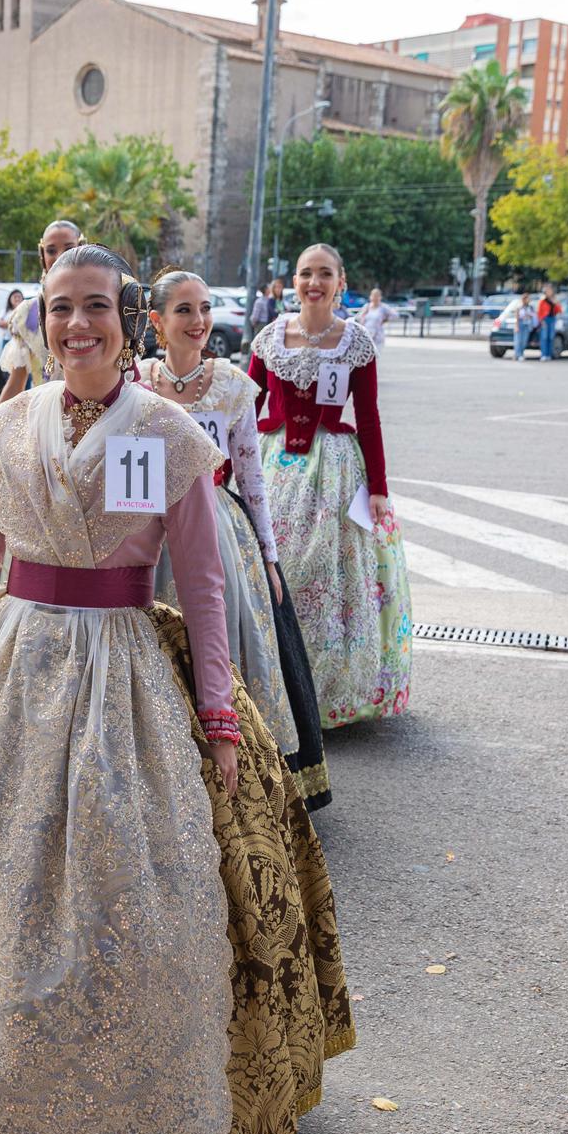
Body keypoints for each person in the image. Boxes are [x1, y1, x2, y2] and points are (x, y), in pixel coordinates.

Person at [0, 242, 353, 1134]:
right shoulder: (8, 426)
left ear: (125, 319)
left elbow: (204, 582)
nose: (75, 325)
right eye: (58, 309)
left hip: (123, 665)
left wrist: (217, 710)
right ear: (40, 321)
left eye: (93, 307)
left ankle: (123, 1105)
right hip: (9, 670)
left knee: (124, 882)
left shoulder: (165, 431)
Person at [143, 265, 325, 803]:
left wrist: (268, 558)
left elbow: (252, 477)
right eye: (184, 310)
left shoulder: (232, 387)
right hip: (147, 527)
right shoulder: (135, 383)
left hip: (219, 529)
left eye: (204, 309)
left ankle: (234, 773)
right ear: (157, 322)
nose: (198, 321)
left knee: (222, 640)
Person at [249, 243, 413, 728]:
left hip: (334, 471)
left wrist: (379, 487)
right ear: (292, 281)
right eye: (305, 273)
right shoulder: (270, 337)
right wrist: (225, 470)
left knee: (325, 576)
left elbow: (369, 417)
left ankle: (325, 694)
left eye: (324, 274)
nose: (313, 282)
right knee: (276, 572)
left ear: (341, 283)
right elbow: (247, 406)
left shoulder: (355, 341)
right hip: (274, 466)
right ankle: (273, 689)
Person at [0, 218, 82, 402]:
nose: (60, 256)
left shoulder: (106, 306)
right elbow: (16, 382)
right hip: (45, 417)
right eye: (51, 250)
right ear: (42, 255)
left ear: (83, 247)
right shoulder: (27, 315)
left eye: (68, 249)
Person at [356, 287, 396, 352]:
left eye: (377, 296)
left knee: (375, 357)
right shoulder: (367, 306)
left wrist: (385, 320)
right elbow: (358, 318)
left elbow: (394, 315)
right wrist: (363, 314)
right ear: (370, 297)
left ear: (380, 297)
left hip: (377, 337)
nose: (375, 298)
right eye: (373, 296)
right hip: (366, 336)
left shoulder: (383, 307)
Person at [536, 283, 560, 360]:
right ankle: (544, 354)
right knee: (544, 337)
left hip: (552, 319)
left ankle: (549, 354)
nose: (549, 292)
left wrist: (556, 303)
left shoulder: (554, 300)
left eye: (550, 291)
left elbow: (559, 310)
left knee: (551, 337)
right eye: (548, 291)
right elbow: (539, 312)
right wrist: (541, 321)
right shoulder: (542, 301)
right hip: (545, 320)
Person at [512, 289, 534, 362]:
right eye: (528, 299)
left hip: (527, 325)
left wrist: (529, 316)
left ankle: (521, 353)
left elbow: (533, 316)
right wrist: (516, 326)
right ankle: (518, 355)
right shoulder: (519, 307)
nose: (529, 300)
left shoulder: (530, 307)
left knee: (524, 341)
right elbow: (517, 317)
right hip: (520, 324)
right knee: (518, 341)